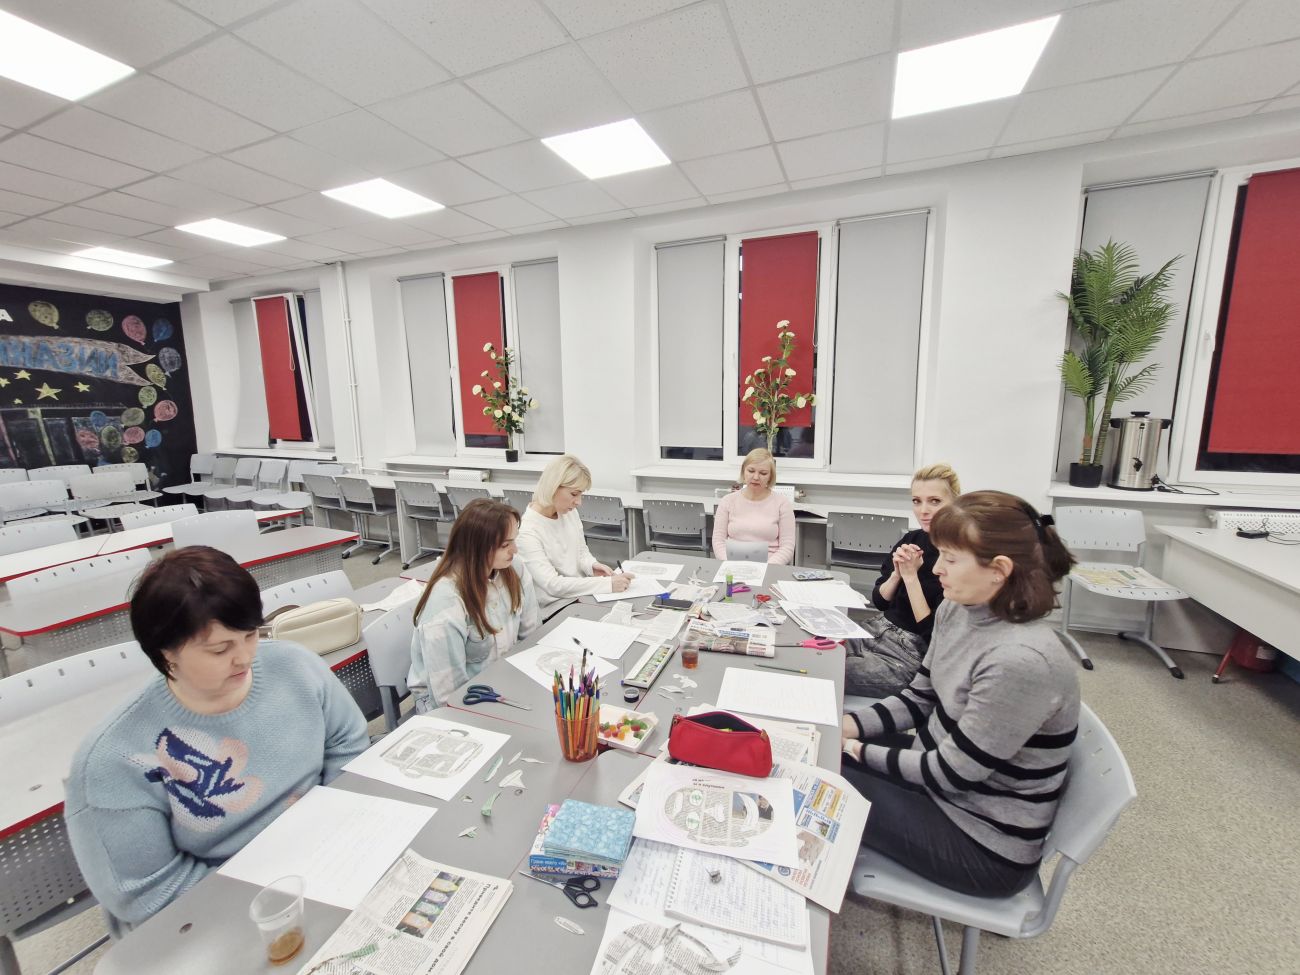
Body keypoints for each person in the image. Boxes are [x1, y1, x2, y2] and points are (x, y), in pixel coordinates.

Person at [64, 546, 369, 937]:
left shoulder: (295, 666)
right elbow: (147, 892)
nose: (245, 658)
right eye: (220, 649)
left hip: (326, 855)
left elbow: (348, 743)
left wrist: (335, 831)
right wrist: (277, 891)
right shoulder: (114, 759)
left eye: (251, 635)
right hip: (225, 910)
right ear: (166, 652)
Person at [840, 491, 1080, 898]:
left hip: (980, 842)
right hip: (940, 787)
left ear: (999, 570)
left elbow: (952, 772)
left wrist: (852, 748)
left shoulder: (1021, 660)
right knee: (817, 752)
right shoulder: (958, 609)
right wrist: (843, 725)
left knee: (819, 780)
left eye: (950, 559)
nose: (937, 568)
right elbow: (918, 698)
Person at [408, 498, 539, 712]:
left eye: (514, 541)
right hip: (452, 703)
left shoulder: (514, 569)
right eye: (505, 545)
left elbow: (531, 636)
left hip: (498, 681)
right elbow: (447, 697)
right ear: (477, 548)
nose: (515, 550)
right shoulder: (446, 603)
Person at [845, 463, 961, 697]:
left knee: (827, 670)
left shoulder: (958, 556)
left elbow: (932, 633)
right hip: (876, 628)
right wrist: (897, 574)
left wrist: (910, 578)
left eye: (935, 501)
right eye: (917, 501)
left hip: (909, 653)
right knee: (813, 652)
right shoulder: (913, 539)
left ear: (955, 503)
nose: (923, 510)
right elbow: (880, 601)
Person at [517, 455, 632, 612]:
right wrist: (607, 584)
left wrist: (592, 566)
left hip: (580, 596)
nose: (579, 502)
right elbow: (553, 585)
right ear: (553, 487)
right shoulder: (527, 531)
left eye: (580, 494)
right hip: (555, 607)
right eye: (574, 494)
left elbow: (581, 552)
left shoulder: (568, 512)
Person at [711, 448, 796, 564]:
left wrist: (768, 567)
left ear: (770, 476)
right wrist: (728, 564)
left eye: (763, 473)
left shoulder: (782, 503)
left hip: (769, 566)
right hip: (731, 566)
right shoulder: (727, 501)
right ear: (743, 472)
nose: (756, 477)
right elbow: (718, 541)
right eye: (751, 471)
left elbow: (787, 546)